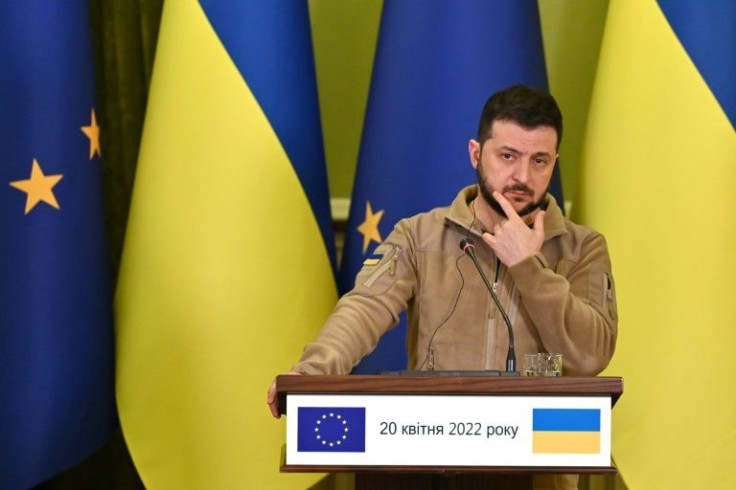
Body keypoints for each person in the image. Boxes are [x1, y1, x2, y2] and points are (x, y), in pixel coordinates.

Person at [267, 85, 618, 490]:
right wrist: (310, 374)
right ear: (475, 154)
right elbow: (364, 309)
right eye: (508, 156)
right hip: (428, 468)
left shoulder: (583, 247)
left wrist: (527, 266)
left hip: (539, 476)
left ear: (554, 162)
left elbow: (592, 355)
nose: (523, 176)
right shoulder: (419, 236)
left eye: (539, 161)